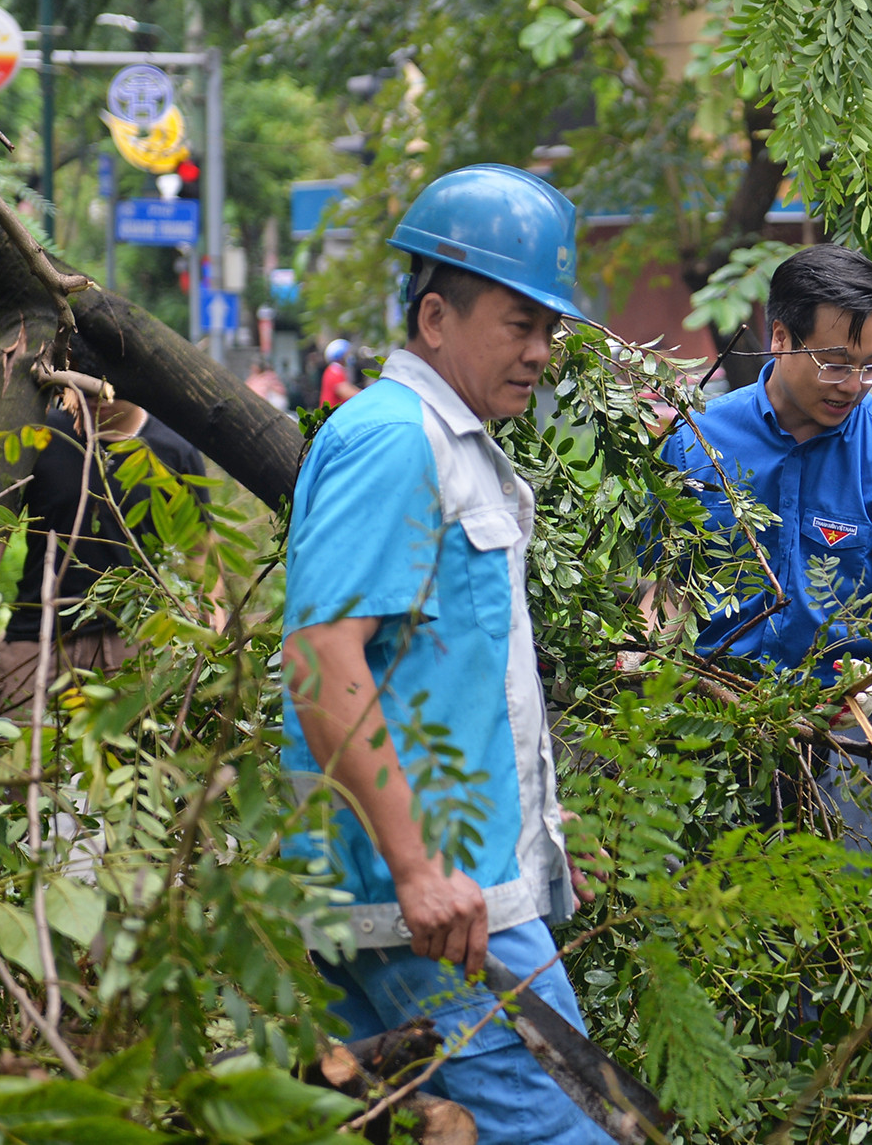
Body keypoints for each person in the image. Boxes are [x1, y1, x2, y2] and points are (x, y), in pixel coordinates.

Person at [280, 163, 609, 1145]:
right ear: (434, 319)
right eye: (520, 323)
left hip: (428, 893)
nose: (542, 351)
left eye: (550, 329)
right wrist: (419, 868)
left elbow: (449, 671)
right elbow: (320, 658)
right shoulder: (394, 439)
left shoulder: (449, 440)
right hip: (428, 908)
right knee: (570, 1131)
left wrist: (541, 836)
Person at [657, 244, 872, 855]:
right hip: (719, 702)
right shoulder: (697, 439)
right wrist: (654, 659)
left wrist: (871, 682)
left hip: (857, 714)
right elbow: (666, 586)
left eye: (871, 367)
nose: (854, 386)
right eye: (835, 364)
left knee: (831, 902)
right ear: (780, 338)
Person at [0, 379, 209, 716]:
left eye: (106, 387)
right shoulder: (40, 436)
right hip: (37, 634)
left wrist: (209, 624)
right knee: (11, 753)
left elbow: (200, 552)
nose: (95, 398)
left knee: (136, 756)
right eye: (84, 386)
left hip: (132, 638)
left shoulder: (173, 451)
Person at [318, 338, 360, 408]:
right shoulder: (334, 371)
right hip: (332, 415)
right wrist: (366, 395)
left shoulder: (335, 370)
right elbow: (345, 391)